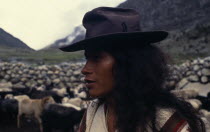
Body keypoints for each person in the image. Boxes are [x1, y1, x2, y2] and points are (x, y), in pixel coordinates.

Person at [60, 7, 206, 132]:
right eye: (87, 59)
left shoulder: (164, 120)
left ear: (128, 62)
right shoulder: (93, 112)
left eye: (97, 58)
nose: (84, 69)